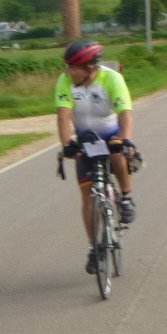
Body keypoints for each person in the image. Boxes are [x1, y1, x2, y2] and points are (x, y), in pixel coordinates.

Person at [54, 41, 138, 271]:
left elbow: (125, 114)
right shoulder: (65, 81)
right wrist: (67, 144)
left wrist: (126, 140)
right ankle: (94, 247)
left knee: (118, 152)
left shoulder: (112, 79)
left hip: (111, 133)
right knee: (88, 196)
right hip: (86, 139)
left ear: (89, 68)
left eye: (73, 67)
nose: (68, 71)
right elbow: (63, 116)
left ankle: (126, 197)